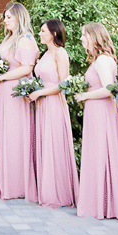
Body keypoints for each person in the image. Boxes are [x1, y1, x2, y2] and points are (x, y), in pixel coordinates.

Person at [75, 22, 118, 220]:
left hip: (101, 112)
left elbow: (109, 89)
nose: (81, 38)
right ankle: (100, 202)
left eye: (84, 35)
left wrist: (84, 96)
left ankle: (103, 205)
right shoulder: (99, 60)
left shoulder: (102, 61)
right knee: (97, 153)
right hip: (97, 111)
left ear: (93, 37)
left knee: (100, 153)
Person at [0, 2, 39, 201]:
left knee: (15, 136)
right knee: (5, 135)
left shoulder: (25, 39)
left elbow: (27, 68)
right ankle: (8, 183)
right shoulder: (10, 39)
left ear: (19, 17)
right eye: (5, 17)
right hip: (3, 91)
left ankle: (18, 186)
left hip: (15, 92)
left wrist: (2, 77)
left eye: (9, 17)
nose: (5, 20)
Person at [27, 19, 79, 208]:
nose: (39, 34)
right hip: (41, 105)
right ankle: (46, 189)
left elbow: (63, 84)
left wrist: (40, 92)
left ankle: (58, 194)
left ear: (54, 33)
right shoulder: (44, 54)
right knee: (44, 144)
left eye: (43, 31)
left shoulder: (60, 53)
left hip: (54, 104)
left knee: (54, 144)